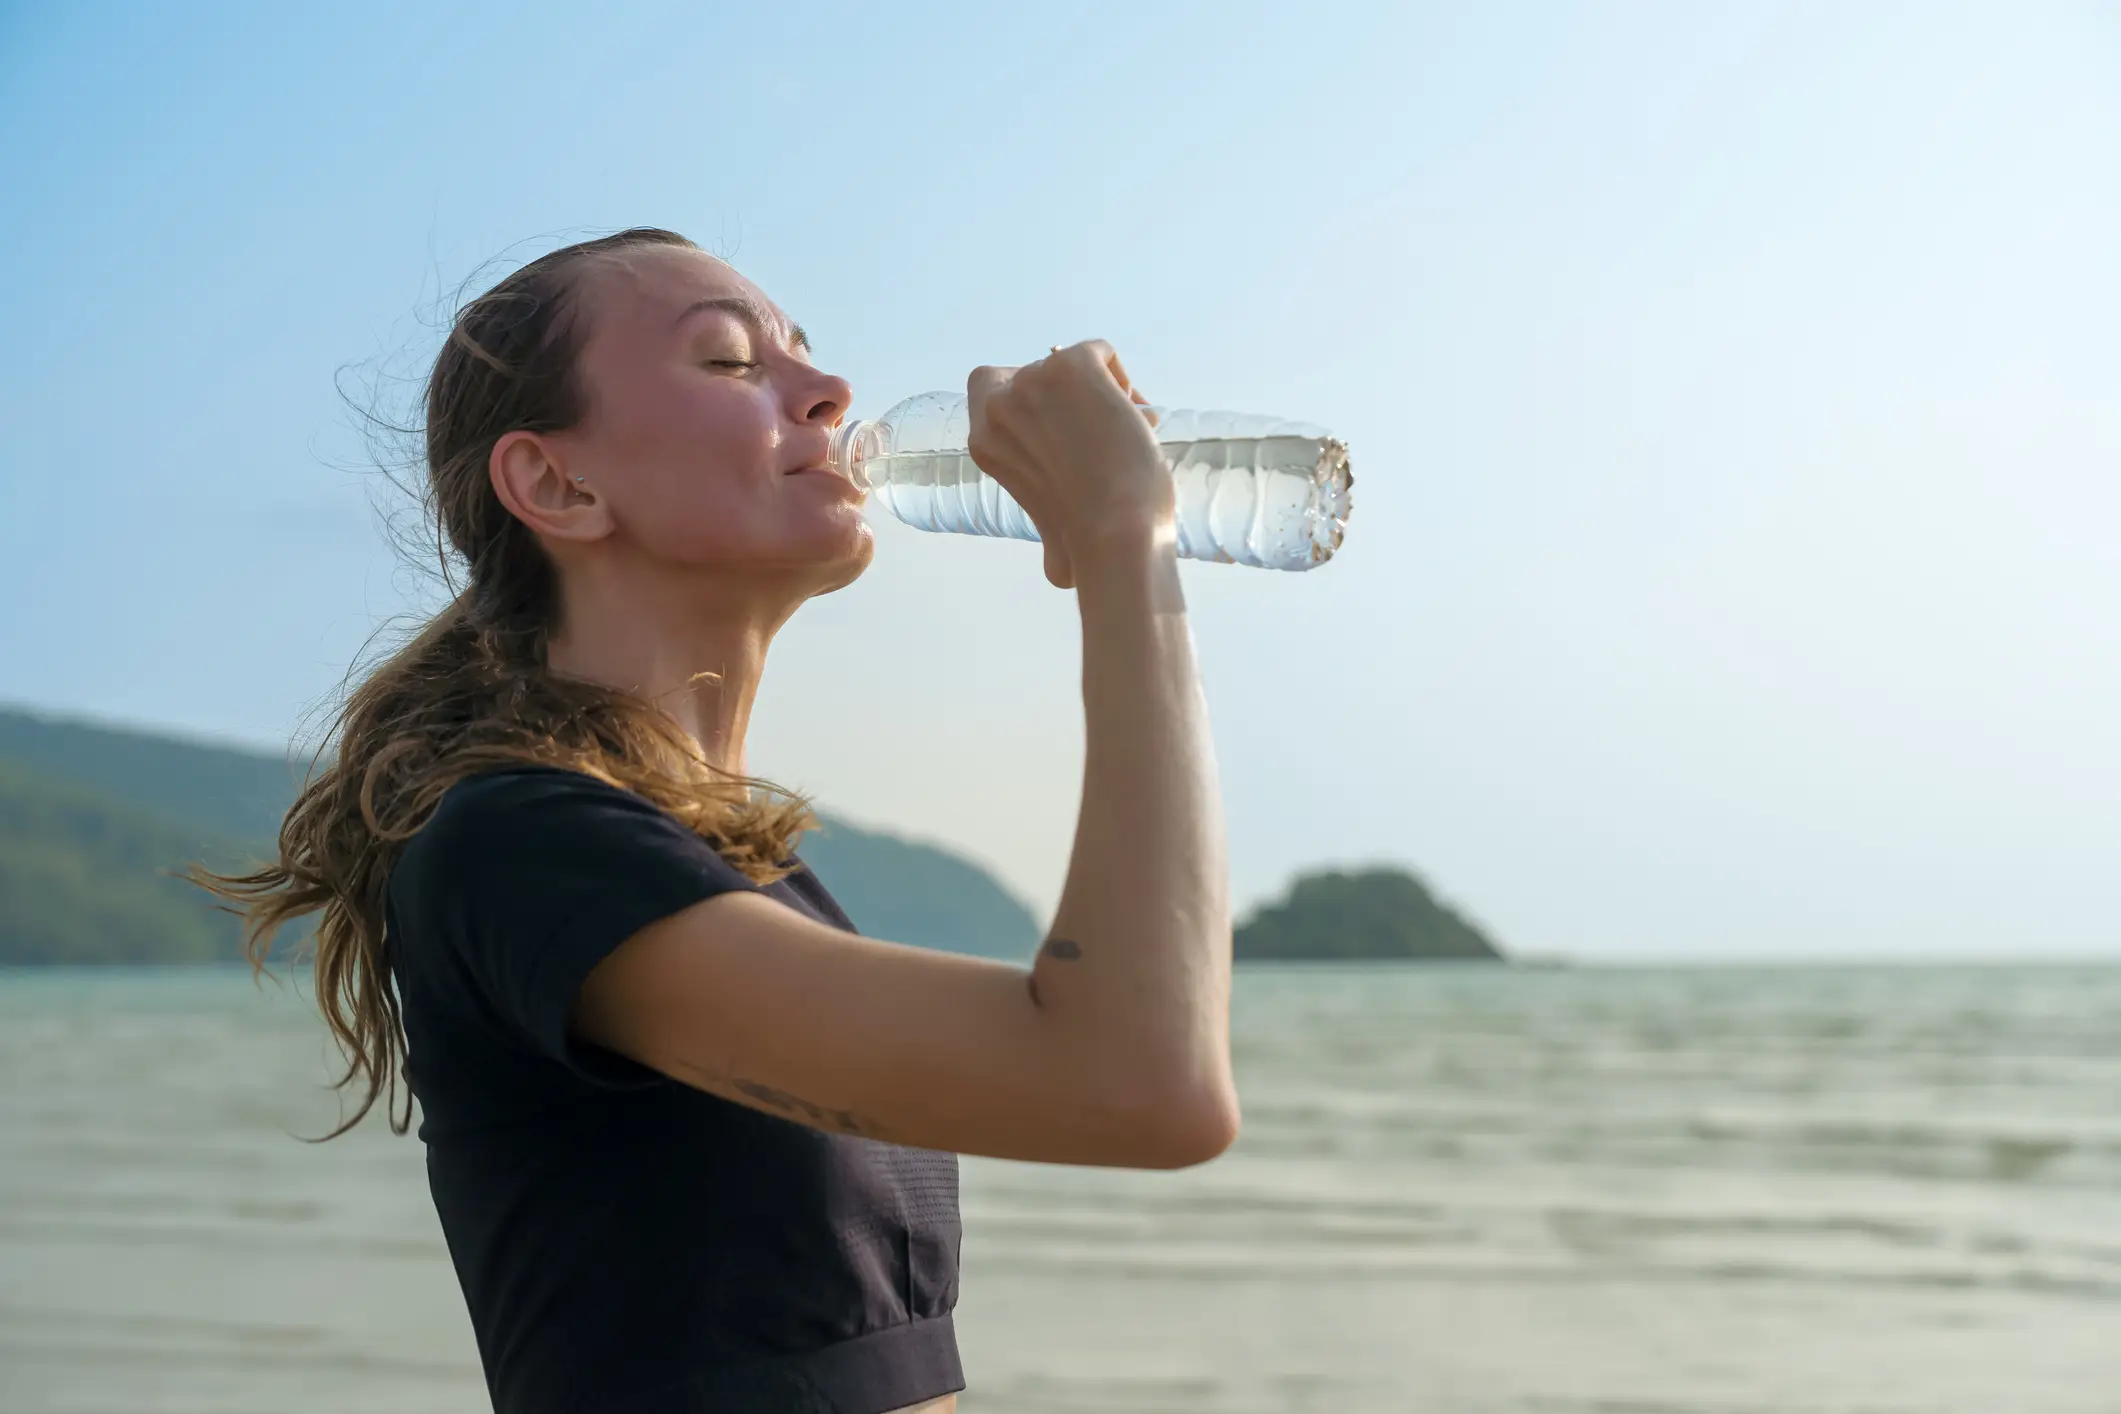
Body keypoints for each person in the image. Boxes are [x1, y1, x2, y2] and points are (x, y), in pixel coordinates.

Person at [193, 226, 1239, 1414]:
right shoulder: (521, 845)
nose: (829, 391)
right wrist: (1122, 549)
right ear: (557, 484)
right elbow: (1139, 1080)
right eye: (735, 362)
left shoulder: (725, 872)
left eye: (806, 353)